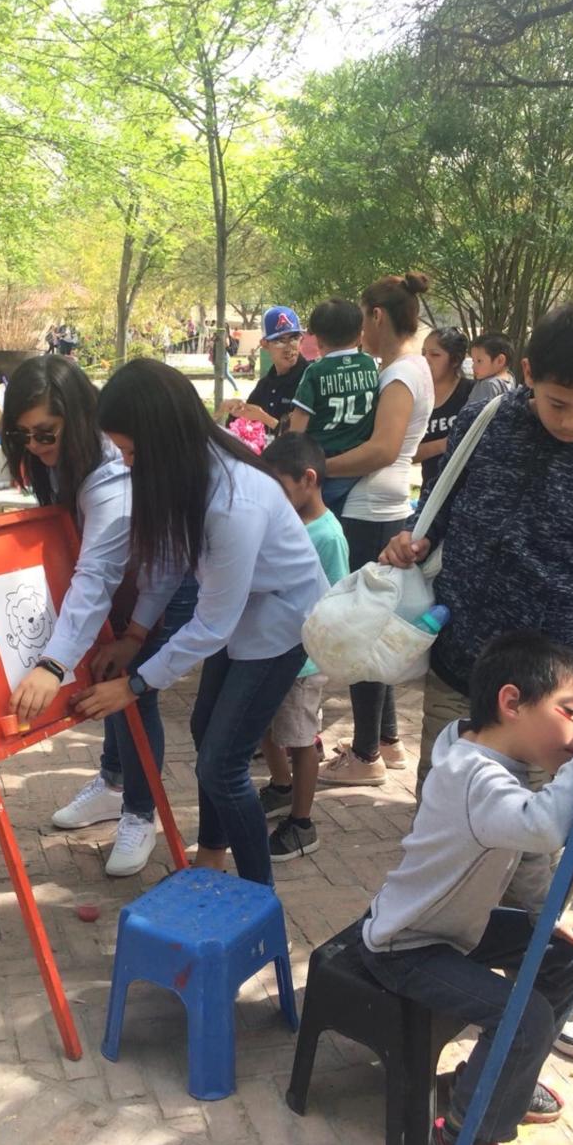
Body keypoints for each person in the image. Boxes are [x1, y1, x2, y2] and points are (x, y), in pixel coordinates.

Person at [384, 301, 573, 1064]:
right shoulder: (489, 420)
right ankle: (443, 968)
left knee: (533, 850)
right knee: (448, 823)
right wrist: (414, 539)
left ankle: (538, 989)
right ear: (527, 375)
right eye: (558, 402)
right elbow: (442, 507)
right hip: (463, 663)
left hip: (550, 697)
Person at [360, 631, 573, 1145]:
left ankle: (491, 1086)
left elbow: (525, 850)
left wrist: (548, 913)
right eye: (570, 711)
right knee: (526, 1018)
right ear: (511, 702)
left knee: (570, 954)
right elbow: (543, 827)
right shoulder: (473, 775)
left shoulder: (487, 756)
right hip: (408, 945)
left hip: (455, 926)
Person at [73, 360, 329, 887]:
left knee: (222, 763)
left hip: (282, 621)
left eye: (133, 454)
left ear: (164, 439)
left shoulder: (234, 500)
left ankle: (257, 893)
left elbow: (212, 624)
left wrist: (135, 685)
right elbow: (170, 563)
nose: (128, 466)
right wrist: (135, 636)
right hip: (244, 610)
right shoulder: (186, 475)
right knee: (205, 732)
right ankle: (212, 854)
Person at [0, 356, 196, 877]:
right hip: (125, 585)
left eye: (46, 433)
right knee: (108, 677)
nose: (36, 447)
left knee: (133, 692)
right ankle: (113, 782)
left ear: (80, 418)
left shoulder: (113, 482)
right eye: (23, 436)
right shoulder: (68, 457)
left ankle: (141, 813)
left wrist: (55, 663)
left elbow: (98, 578)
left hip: (165, 586)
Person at [313, 273, 434, 787]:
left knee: (360, 629)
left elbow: (383, 449)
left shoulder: (400, 373)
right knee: (376, 622)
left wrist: (317, 466)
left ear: (377, 316)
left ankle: (365, 757)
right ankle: (385, 740)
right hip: (384, 504)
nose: (361, 331)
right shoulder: (412, 367)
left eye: (364, 319)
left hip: (369, 507)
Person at [256, 434, 350, 862]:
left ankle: (302, 822)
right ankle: (281, 787)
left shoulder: (327, 535)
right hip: (273, 650)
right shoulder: (289, 522)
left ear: (308, 479)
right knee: (266, 727)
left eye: (278, 486)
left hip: (304, 662)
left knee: (300, 740)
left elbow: (334, 599)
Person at [288, 297, 379, 515]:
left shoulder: (315, 372)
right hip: (358, 462)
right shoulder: (370, 364)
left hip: (323, 464)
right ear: (359, 336)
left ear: (318, 340)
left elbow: (297, 428)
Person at [227, 306, 309, 437]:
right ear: (264, 344)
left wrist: (265, 418)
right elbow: (240, 424)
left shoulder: (310, 378)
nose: (289, 348)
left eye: (294, 338)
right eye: (280, 341)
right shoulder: (265, 385)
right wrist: (236, 411)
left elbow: (304, 437)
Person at [415, 327, 474, 496]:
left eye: (435, 355)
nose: (426, 360)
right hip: (431, 495)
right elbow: (405, 454)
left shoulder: (472, 393)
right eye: (423, 353)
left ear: (455, 360)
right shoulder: (417, 397)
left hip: (467, 494)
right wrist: (443, 444)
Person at [468, 331, 515, 407]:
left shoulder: (488, 385)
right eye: (473, 361)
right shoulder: (510, 378)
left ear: (500, 360)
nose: (473, 366)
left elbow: (474, 412)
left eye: (479, 361)